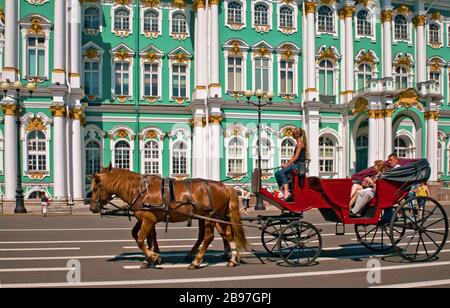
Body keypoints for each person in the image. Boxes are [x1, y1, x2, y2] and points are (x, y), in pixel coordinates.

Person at [275, 127, 307, 201]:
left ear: (296, 134)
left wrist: (287, 165)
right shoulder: (297, 144)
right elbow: (293, 157)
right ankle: (282, 190)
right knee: (277, 173)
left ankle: (286, 192)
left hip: (298, 165)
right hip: (295, 164)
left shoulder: (299, 143)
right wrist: (287, 164)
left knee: (281, 172)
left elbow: (296, 157)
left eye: (293, 133)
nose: (292, 134)